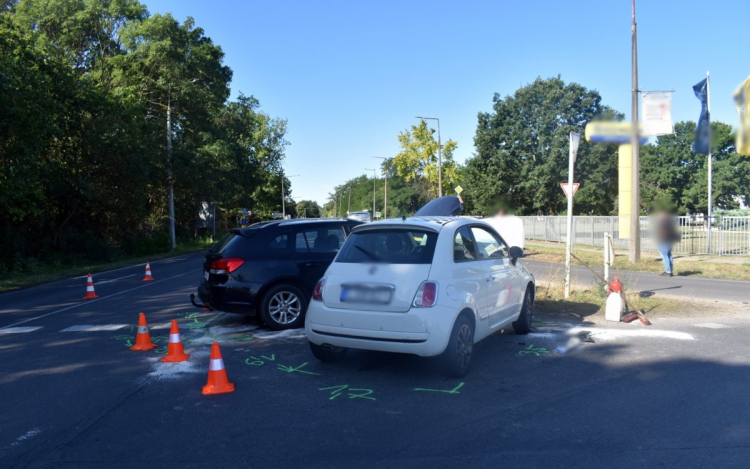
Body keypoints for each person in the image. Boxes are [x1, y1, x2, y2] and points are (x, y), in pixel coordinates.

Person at [656, 210, 680, 277]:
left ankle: (668, 271)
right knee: (669, 255)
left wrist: (660, 239)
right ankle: (670, 271)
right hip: (670, 240)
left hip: (664, 240)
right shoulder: (670, 222)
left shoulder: (663, 223)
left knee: (664, 255)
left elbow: (663, 233)